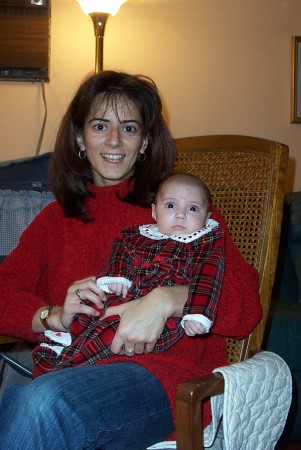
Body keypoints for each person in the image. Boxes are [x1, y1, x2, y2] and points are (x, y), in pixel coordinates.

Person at [0, 70, 262, 450]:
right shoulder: (54, 220)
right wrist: (52, 315)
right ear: (78, 136)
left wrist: (168, 299)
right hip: (70, 371)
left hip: (161, 380)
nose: (114, 141)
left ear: (144, 142)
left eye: (129, 128)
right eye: (100, 125)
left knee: (44, 403)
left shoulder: (178, 210)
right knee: (23, 404)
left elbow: (247, 306)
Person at [32, 172, 225, 375]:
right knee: (92, 307)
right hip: (122, 296)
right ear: (154, 211)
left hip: (157, 326)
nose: (180, 215)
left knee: (108, 333)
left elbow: (208, 278)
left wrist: (197, 312)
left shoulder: (206, 241)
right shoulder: (138, 234)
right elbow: (121, 251)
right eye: (170, 206)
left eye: (193, 209)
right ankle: (68, 340)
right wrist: (116, 276)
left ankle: (66, 365)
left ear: (207, 217)